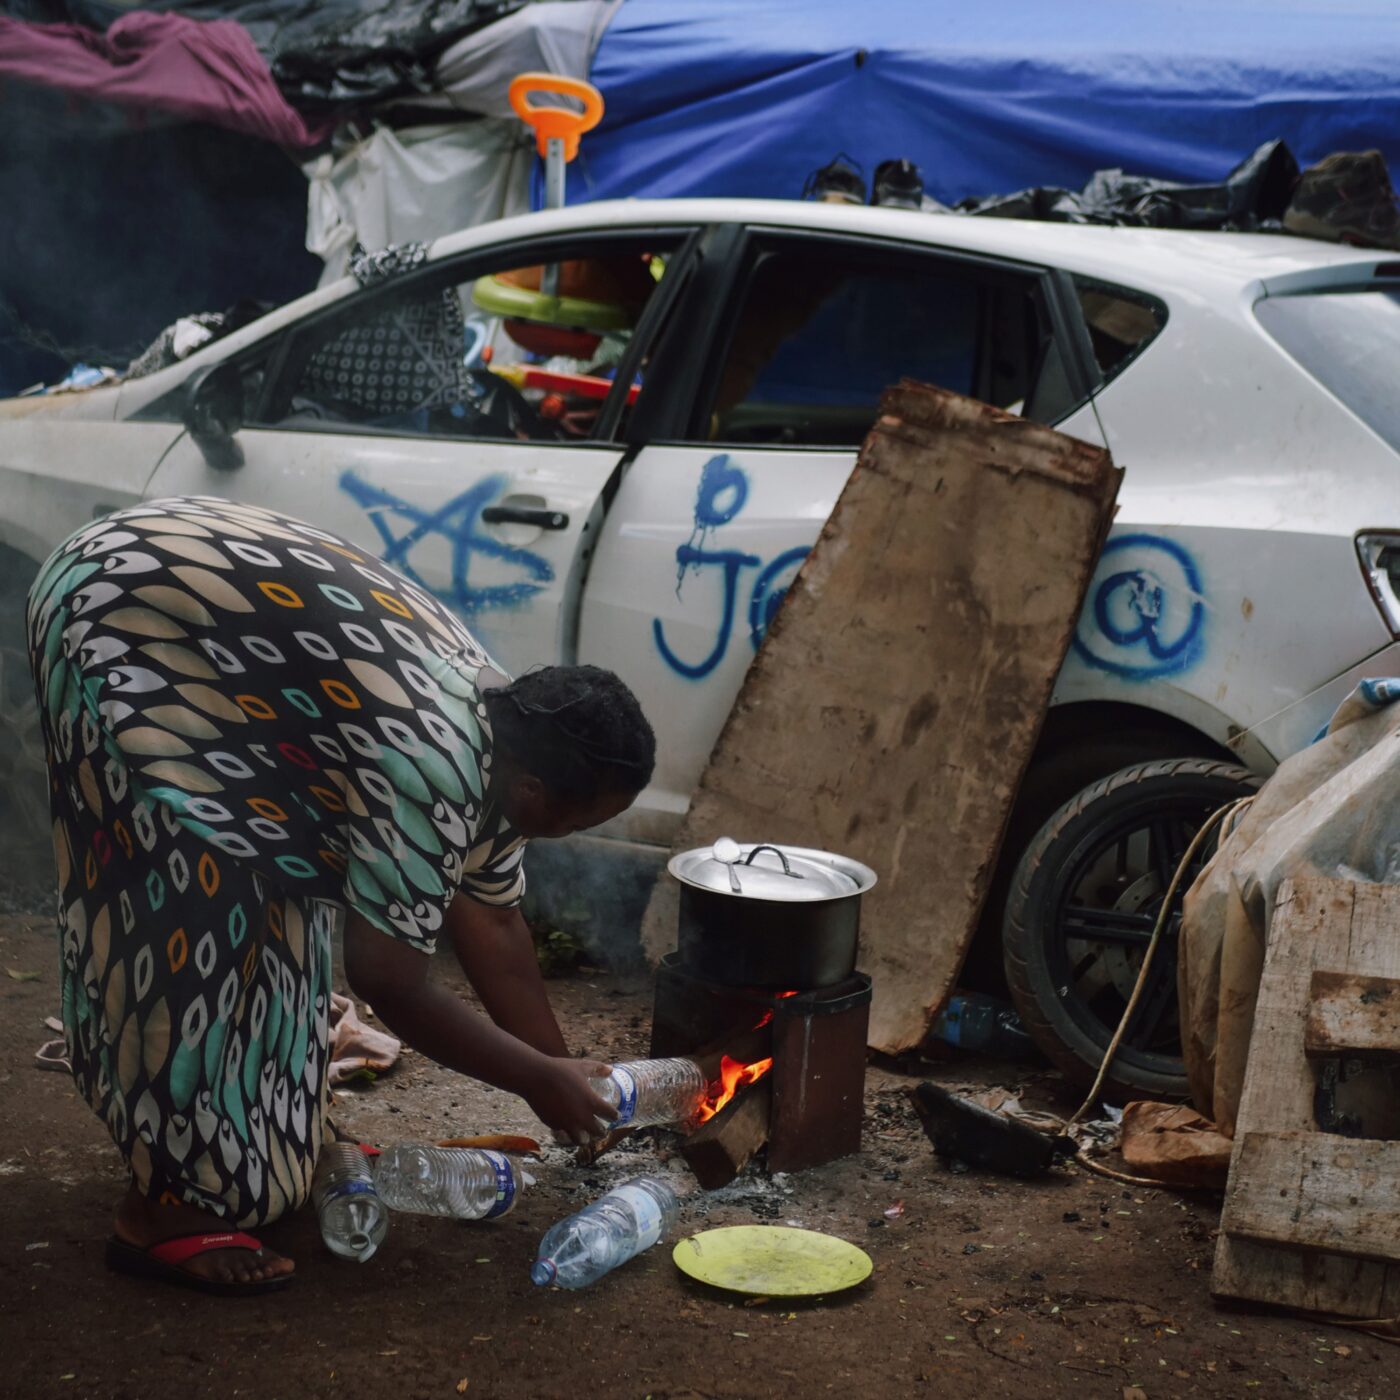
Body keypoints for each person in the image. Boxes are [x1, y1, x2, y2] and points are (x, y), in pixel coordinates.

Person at [26, 496, 657, 1295]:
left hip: (192, 605)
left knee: (280, 911)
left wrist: (561, 1074)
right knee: (187, 920)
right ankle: (160, 1212)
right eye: (584, 820)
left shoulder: (511, 733)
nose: (577, 834)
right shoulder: (433, 768)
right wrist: (533, 1079)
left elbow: (492, 919)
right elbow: (389, 980)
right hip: (120, 614)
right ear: (534, 794)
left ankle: (253, 1147)